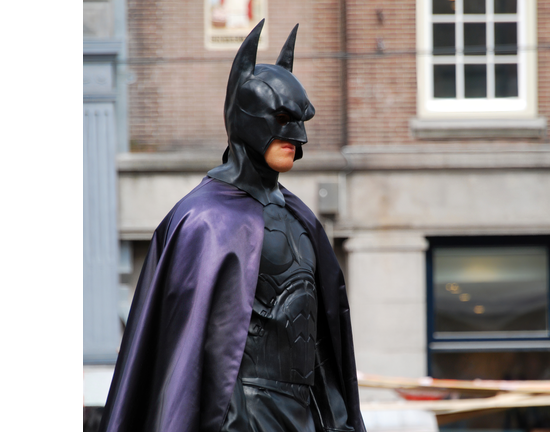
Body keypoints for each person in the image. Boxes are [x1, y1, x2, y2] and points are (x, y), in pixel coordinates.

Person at [98, 20, 365, 432]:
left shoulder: (303, 220)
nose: (297, 137)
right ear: (246, 118)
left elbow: (322, 345)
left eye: (299, 123)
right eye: (281, 120)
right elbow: (186, 361)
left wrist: (337, 417)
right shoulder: (204, 222)